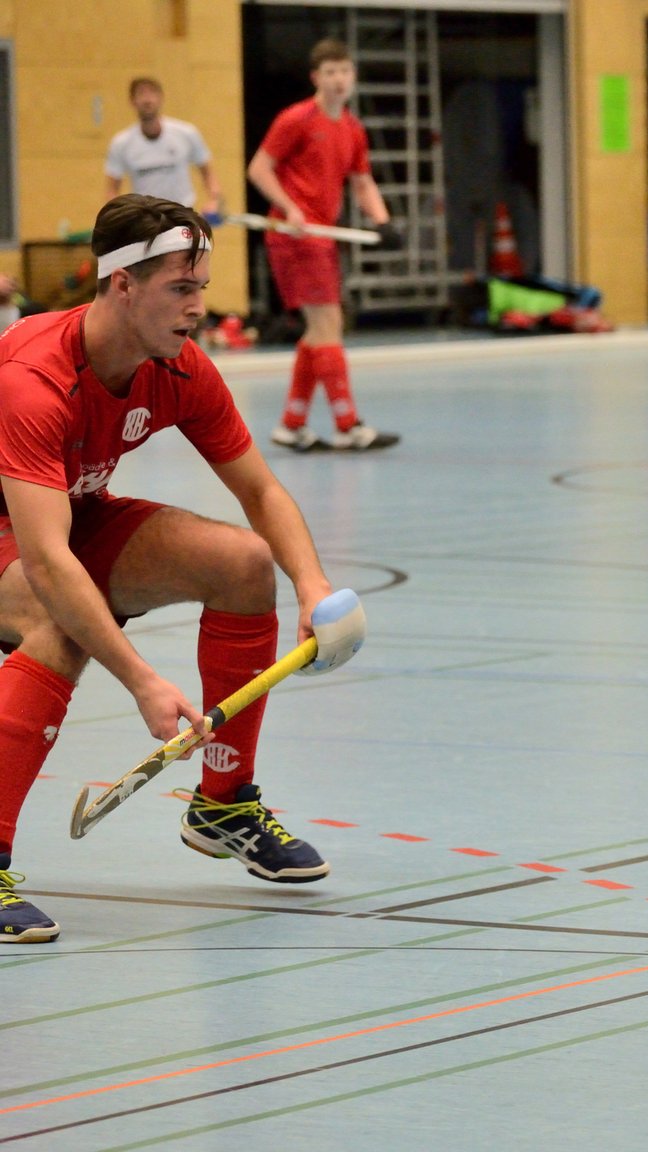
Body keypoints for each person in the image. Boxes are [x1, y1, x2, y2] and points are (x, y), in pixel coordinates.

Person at [0, 196, 337, 944]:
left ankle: (223, 803)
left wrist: (313, 587)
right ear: (122, 285)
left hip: (70, 510)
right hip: (19, 530)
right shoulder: (33, 378)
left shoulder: (177, 366)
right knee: (59, 625)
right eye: (181, 289)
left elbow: (260, 491)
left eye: (201, 288)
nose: (199, 308)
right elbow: (48, 562)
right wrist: (142, 679)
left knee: (244, 563)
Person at [246, 38, 401, 453]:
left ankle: (292, 424)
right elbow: (259, 169)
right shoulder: (296, 119)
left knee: (320, 330)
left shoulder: (352, 128)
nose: (339, 80)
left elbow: (363, 183)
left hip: (324, 237)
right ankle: (348, 425)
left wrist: (383, 221)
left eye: (345, 71)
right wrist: (290, 208)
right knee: (328, 324)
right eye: (330, 72)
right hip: (296, 237)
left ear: (353, 76)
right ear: (316, 77)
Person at [103, 78, 224, 219]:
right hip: (146, 219)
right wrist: (117, 215)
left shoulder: (186, 133)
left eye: (152, 93)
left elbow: (208, 173)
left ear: (161, 98)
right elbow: (112, 190)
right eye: (141, 94)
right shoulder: (121, 143)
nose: (147, 100)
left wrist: (214, 200)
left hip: (182, 214)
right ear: (132, 101)